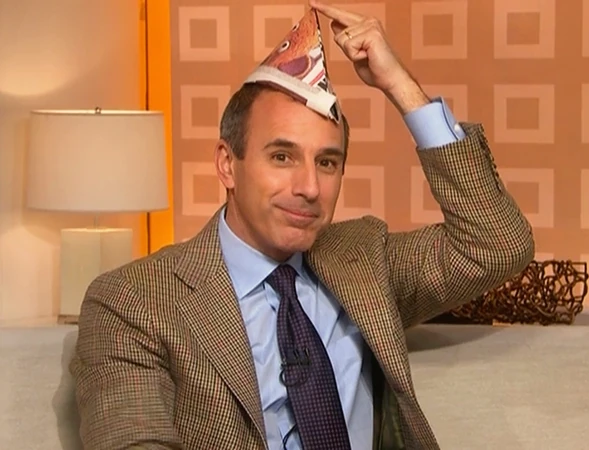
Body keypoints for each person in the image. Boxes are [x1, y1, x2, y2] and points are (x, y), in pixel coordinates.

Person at [70, 1, 535, 449]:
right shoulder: (134, 302)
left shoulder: (364, 262)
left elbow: (497, 244)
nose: (310, 188)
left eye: (327, 163)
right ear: (228, 165)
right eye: (282, 157)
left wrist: (400, 86)